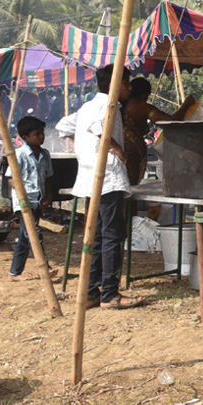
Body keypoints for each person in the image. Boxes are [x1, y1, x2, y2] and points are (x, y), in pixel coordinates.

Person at [72, 65, 142, 309]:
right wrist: (117, 147)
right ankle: (110, 294)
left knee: (99, 235)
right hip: (106, 178)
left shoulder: (88, 105)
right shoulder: (105, 106)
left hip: (93, 179)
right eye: (126, 82)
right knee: (112, 235)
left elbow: (69, 127)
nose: (129, 87)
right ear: (115, 85)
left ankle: (92, 291)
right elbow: (100, 129)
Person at [6, 116, 55, 281]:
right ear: (25, 138)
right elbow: (11, 179)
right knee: (34, 234)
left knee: (25, 239)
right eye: (37, 134)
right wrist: (22, 194)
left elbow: (48, 178)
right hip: (24, 203)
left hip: (38, 201)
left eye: (42, 133)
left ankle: (14, 273)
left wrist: (48, 197)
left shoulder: (45, 154)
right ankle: (45, 268)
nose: (41, 136)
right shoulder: (19, 155)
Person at [122, 77, 161, 186]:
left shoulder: (122, 108)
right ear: (144, 95)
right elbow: (171, 121)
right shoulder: (143, 107)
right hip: (132, 154)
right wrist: (187, 105)